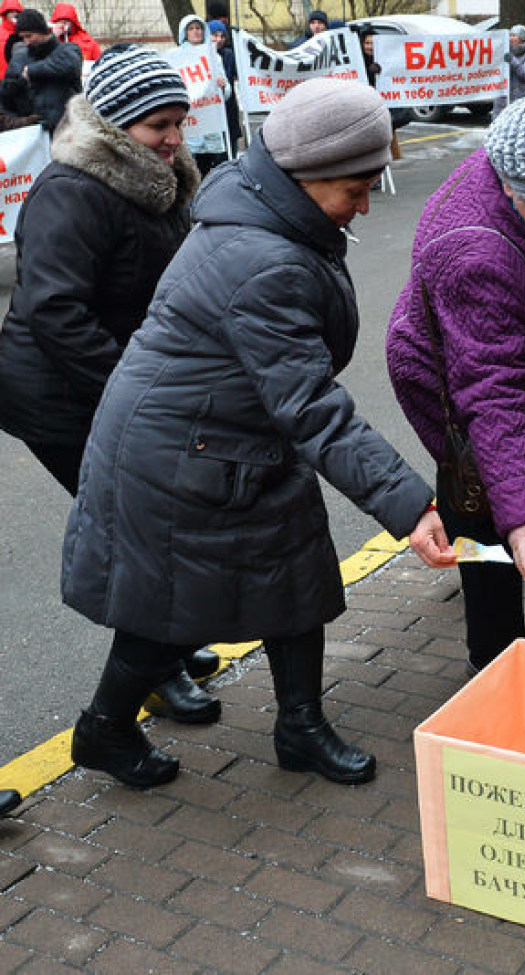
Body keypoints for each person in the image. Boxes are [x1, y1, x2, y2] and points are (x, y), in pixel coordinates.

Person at [61, 77, 456, 791]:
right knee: (170, 609)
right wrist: (408, 504)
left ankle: (300, 728)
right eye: (356, 187)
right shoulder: (263, 259)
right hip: (180, 453)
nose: (366, 204)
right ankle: (105, 729)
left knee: (298, 577)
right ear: (306, 177)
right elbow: (309, 405)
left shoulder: (275, 215)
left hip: (237, 435)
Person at [0, 44, 224, 718]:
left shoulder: (153, 180)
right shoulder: (72, 191)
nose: (175, 140)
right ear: (117, 125)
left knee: (158, 527)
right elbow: (54, 311)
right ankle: (153, 667)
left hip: (117, 383)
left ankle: (164, 647)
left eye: (180, 123)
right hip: (59, 395)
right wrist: (136, 387)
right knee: (146, 534)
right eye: (160, 126)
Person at [387, 97, 525, 674]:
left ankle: (493, 561)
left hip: (504, 369)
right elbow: (492, 395)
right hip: (443, 377)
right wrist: (520, 514)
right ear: (509, 186)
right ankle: (493, 656)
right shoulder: (475, 255)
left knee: (501, 486)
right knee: (481, 499)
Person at [1, 9, 82, 132]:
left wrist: (30, 71)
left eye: (29, 36)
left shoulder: (68, 49)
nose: (26, 42)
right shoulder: (19, 57)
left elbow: (68, 66)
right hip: (31, 133)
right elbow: (6, 95)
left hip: (66, 130)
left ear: (42, 31)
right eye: (23, 38)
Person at [177, 15, 228, 175]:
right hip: (190, 125)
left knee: (208, 172)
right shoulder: (177, 57)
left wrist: (223, 86)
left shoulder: (214, 57)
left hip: (210, 125)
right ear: (185, 33)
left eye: (198, 28)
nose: (195, 32)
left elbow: (226, 95)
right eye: (191, 29)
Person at [207, 18, 240, 153]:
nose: (219, 39)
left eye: (222, 36)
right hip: (210, 113)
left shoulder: (229, 55)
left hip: (229, 111)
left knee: (231, 151)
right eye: (215, 35)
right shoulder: (201, 56)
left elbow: (241, 73)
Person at [490, 24, 525, 120]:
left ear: (522, 38)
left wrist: (512, 60)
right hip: (503, 97)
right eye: (510, 35)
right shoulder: (504, 51)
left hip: (519, 99)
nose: (511, 38)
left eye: (514, 36)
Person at [0, 0, 21, 77]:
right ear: (5, 14)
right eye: (11, 12)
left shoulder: (25, 32)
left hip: (19, 77)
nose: (14, 14)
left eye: (17, 12)